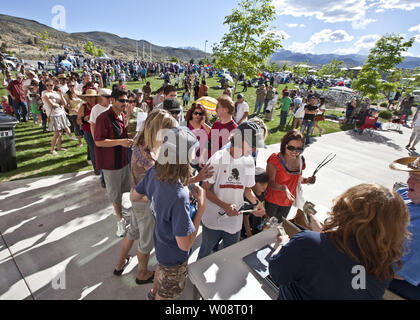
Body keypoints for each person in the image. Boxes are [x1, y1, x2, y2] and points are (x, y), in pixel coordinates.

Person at [269, 183, 410, 300]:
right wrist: (323, 235)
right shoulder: (384, 266)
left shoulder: (308, 243)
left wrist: (284, 243)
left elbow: (276, 273)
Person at [131, 126, 206, 300]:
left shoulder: (154, 172)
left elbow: (135, 196)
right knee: (168, 292)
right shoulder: (178, 196)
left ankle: (152, 293)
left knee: (161, 268)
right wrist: (201, 208)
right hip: (174, 255)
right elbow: (185, 245)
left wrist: (157, 199)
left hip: (161, 245)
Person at [113, 109, 178, 285]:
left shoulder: (139, 143)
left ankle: (120, 264)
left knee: (131, 232)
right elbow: (157, 187)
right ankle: (142, 273)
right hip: (144, 203)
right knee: (146, 242)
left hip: (137, 200)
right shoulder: (148, 160)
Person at [197, 121, 266, 259]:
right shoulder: (217, 159)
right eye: (252, 146)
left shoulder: (249, 162)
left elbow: (247, 191)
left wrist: (257, 204)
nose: (254, 150)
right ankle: (194, 280)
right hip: (212, 219)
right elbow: (205, 189)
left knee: (230, 256)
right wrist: (225, 206)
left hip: (234, 222)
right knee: (205, 253)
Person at [94, 88, 134, 237]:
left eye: (127, 100)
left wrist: (133, 136)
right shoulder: (103, 118)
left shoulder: (122, 115)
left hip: (124, 161)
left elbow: (121, 136)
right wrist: (121, 142)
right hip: (110, 164)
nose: (125, 103)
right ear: (113, 100)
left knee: (127, 189)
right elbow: (98, 142)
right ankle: (120, 220)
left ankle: (125, 213)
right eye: (122, 100)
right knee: (114, 194)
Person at [388, 157, 420, 299]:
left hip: (393, 279)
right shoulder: (404, 193)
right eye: (410, 175)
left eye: (417, 178)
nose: (408, 182)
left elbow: (398, 273)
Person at [265, 130, 315, 220]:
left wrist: (307, 180)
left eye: (299, 149)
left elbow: (297, 179)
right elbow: (270, 182)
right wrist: (283, 188)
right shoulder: (275, 159)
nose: (295, 152)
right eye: (291, 148)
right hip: (272, 202)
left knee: (279, 227)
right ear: (285, 145)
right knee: (267, 227)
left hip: (288, 202)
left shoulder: (301, 160)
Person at [41, 79, 77, 155]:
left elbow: (64, 103)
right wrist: (58, 104)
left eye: (51, 85)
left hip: (60, 113)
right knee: (57, 133)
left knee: (60, 132)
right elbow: (52, 104)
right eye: (47, 85)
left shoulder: (56, 93)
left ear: (54, 85)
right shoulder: (44, 93)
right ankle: (52, 149)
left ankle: (59, 147)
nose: (49, 86)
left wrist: (60, 94)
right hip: (53, 115)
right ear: (45, 86)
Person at [206, 95, 238, 161]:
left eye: (218, 107)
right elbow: (208, 142)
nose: (215, 109)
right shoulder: (216, 124)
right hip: (208, 162)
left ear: (226, 109)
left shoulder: (235, 130)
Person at [242, 167, 269, 238]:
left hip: (257, 224)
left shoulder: (263, 193)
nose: (265, 186)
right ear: (252, 183)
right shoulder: (249, 198)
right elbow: (245, 218)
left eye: (266, 183)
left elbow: (263, 204)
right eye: (262, 184)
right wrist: (249, 234)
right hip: (247, 229)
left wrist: (266, 216)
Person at [78, 88, 100, 174]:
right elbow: (78, 120)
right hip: (88, 131)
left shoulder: (99, 106)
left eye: (92, 97)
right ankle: (97, 169)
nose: (90, 99)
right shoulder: (83, 107)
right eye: (88, 97)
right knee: (93, 149)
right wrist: (84, 119)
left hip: (100, 130)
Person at [64, 80, 84, 147]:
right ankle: (79, 142)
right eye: (69, 86)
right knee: (77, 126)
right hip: (73, 113)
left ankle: (82, 137)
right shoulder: (67, 95)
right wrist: (71, 109)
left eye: (72, 85)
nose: (71, 87)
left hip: (81, 112)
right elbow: (65, 105)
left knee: (83, 126)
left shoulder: (79, 92)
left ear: (75, 86)